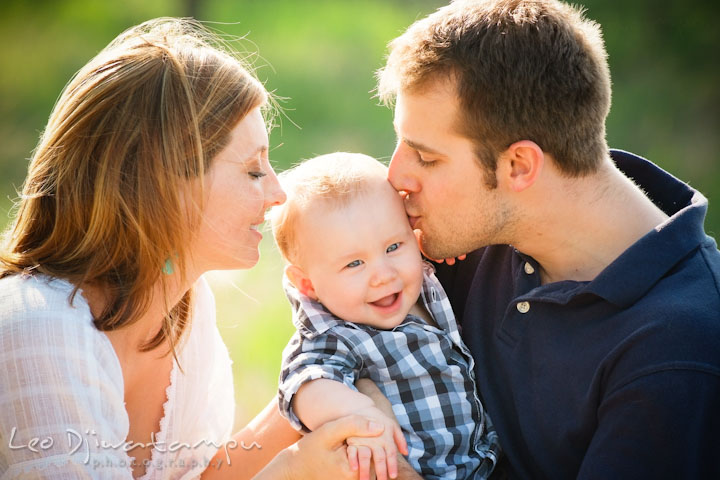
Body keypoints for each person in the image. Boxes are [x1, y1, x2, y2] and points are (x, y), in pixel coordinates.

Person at [0, 18, 387, 479]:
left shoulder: (183, 305)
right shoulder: (39, 326)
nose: (278, 193)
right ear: (164, 186)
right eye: (252, 170)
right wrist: (294, 471)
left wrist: (324, 393)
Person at [373, 0, 720, 478]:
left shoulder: (680, 355)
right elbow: (332, 342)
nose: (395, 177)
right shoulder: (469, 239)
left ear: (519, 166)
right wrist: (362, 409)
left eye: (425, 158)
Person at [269, 153, 501, 480]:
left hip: (480, 464)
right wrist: (361, 414)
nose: (383, 274)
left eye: (393, 247)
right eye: (354, 264)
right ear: (308, 284)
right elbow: (307, 386)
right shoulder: (333, 334)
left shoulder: (425, 291)